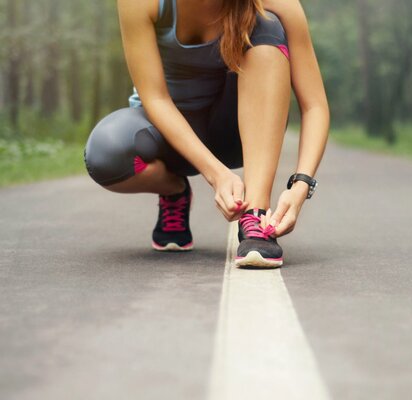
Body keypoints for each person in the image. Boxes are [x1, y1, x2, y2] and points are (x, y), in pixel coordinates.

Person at [83, 0, 329, 268]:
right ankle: (174, 189)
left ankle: (256, 215)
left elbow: (314, 105)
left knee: (267, 25)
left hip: (233, 136)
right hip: (169, 138)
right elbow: (155, 99)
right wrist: (217, 175)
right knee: (105, 154)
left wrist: (301, 186)